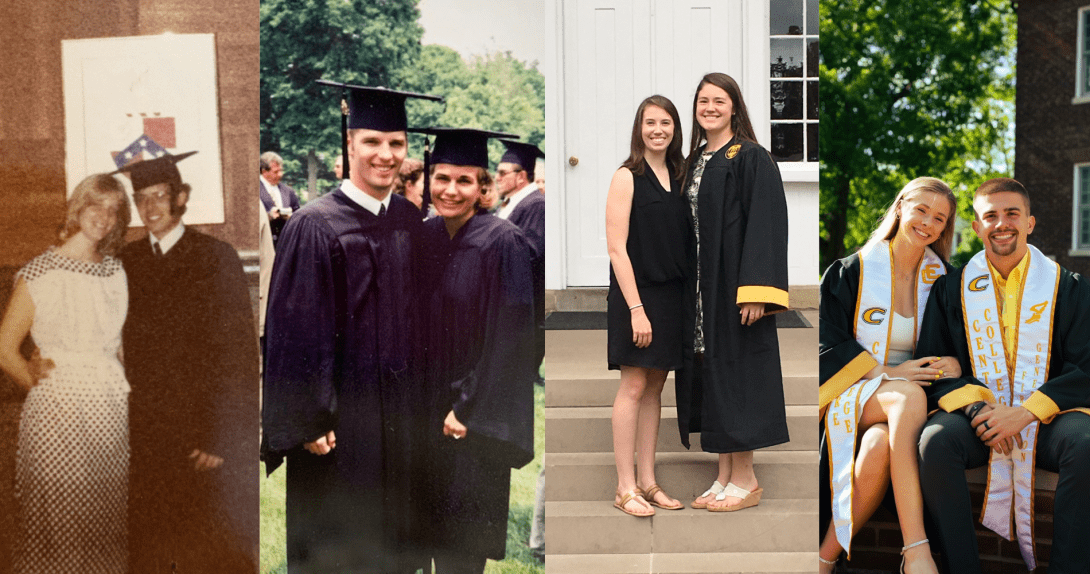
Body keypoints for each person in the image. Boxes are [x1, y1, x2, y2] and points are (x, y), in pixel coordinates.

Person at [262, 82, 442, 573]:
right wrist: (308, 417)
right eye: (372, 142)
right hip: (342, 423)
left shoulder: (408, 220)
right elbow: (293, 332)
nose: (386, 155)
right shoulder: (314, 225)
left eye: (396, 144)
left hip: (400, 417)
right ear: (349, 145)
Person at [916, 178, 1090, 573]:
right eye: (990, 216)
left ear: (1030, 222)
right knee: (935, 443)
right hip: (978, 420)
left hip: (1050, 422)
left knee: (1086, 444)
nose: (1002, 224)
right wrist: (980, 409)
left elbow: (1087, 366)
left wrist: (1028, 410)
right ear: (976, 227)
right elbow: (933, 365)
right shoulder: (951, 289)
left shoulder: (1069, 287)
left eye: (1012, 213)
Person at [112, 151, 259, 572]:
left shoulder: (216, 258)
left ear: (181, 198)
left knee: (209, 549)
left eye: (160, 195)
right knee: (152, 547)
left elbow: (239, 357)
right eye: (142, 198)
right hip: (148, 433)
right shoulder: (128, 262)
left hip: (202, 434)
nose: (150, 207)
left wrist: (220, 436)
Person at [817, 178, 958, 574]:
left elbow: (961, 348)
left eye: (939, 218)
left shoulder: (946, 281)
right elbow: (827, 343)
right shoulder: (852, 272)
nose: (928, 223)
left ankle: (823, 559)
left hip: (907, 403)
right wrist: (887, 372)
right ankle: (916, 549)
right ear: (900, 208)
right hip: (855, 391)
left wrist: (955, 364)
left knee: (879, 444)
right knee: (907, 395)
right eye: (921, 210)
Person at [417, 127, 536, 574]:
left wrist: (467, 409)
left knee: (461, 548)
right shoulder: (426, 237)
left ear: (483, 187)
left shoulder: (503, 242)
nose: (451, 190)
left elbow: (512, 337)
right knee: (425, 535)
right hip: (423, 413)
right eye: (442, 178)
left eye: (464, 181)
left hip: (470, 419)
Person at [0, 174, 129, 573]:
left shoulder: (115, 271)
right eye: (96, 205)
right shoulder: (41, 270)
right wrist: (42, 387)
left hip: (109, 409)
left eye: (113, 209)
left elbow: (118, 347)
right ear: (78, 207)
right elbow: (5, 350)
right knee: (62, 518)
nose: (104, 217)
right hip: (58, 413)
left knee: (106, 517)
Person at [675, 72, 788, 512]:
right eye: (703, 100)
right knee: (715, 377)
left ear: (735, 107)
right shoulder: (697, 159)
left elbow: (767, 225)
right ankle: (724, 475)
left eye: (718, 100)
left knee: (739, 376)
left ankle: (747, 479)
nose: (710, 108)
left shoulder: (751, 157)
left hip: (736, 287)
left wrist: (756, 291)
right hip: (703, 290)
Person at [604, 95, 692, 516]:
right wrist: (636, 309)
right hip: (636, 295)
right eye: (650, 123)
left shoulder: (680, 174)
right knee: (634, 385)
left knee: (657, 387)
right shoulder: (627, 176)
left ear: (676, 128)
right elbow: (617, 249)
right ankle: (625, 488)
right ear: (639, 128)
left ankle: (648, 481)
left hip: (672, 295)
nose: (658, 130)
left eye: (666, 123)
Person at [497, 140, 546, 379]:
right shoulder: (511, 202)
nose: (497, 178)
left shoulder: (536, 204)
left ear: (521, 176)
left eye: (502, 173)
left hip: (523, 294)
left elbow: (532, 250)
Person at [260, 151, 301, 247]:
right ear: (264, 171)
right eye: (276, 172)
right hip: (265, 244)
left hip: (286, 244)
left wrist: (291, 217)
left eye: (281, 170)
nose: (280, 174)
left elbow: (298, 213)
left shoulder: (288, 191)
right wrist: (268, 216)